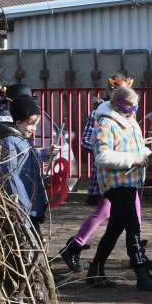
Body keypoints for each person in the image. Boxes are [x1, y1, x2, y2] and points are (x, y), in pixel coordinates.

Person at [57, 74, 144, 273]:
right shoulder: (100, 114)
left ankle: (136, 255)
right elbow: (88, 140)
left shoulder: (128, 114)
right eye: (115, 90)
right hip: (110, 172)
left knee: (131, 215)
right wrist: (115, 151)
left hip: (129, 173)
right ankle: (75, 246)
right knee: (105, 212)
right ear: (108, 91)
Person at [87, 85, 152, 291]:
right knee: (133, 227)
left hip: (130, 181)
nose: (134, 110)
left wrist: (145, 154)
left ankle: (95, 272)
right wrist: (134, 159)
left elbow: (134, 146)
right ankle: (142, 274)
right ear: (117, 104)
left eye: (135, 106)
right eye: (130, 106)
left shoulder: (130, 121)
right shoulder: (105, 124)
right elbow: (102, 156)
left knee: (115, 229)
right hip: (116, 182)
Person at [0, 95, 49, 232]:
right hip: (22, 206)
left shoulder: (23, 140)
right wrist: (21, 206)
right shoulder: (10, 142)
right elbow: (10, 175)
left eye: (36, 124)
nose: (34, 129)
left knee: (36, 243)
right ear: (18, 122)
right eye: (31, 124)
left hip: (31, 204)